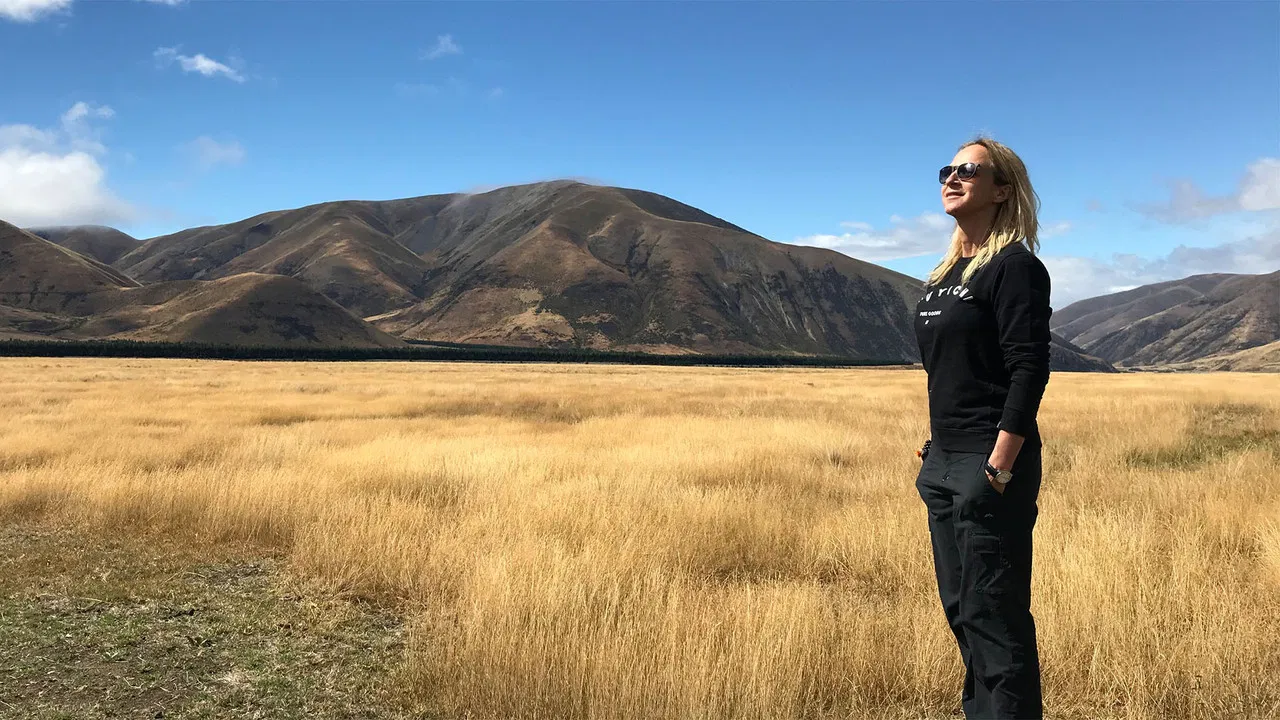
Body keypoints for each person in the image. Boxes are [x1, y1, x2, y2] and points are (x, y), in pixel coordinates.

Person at [913, 137, 1052, 719]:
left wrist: (997, 464)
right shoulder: (945, 274)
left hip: (988, 467)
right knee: (963, 616)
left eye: (970, 169)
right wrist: (934, 454)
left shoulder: (1014, 267)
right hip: (944, 463)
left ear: (1002, 189)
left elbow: (1028, 368)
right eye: (948, 168)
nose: (953, 176)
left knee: (995, 623)